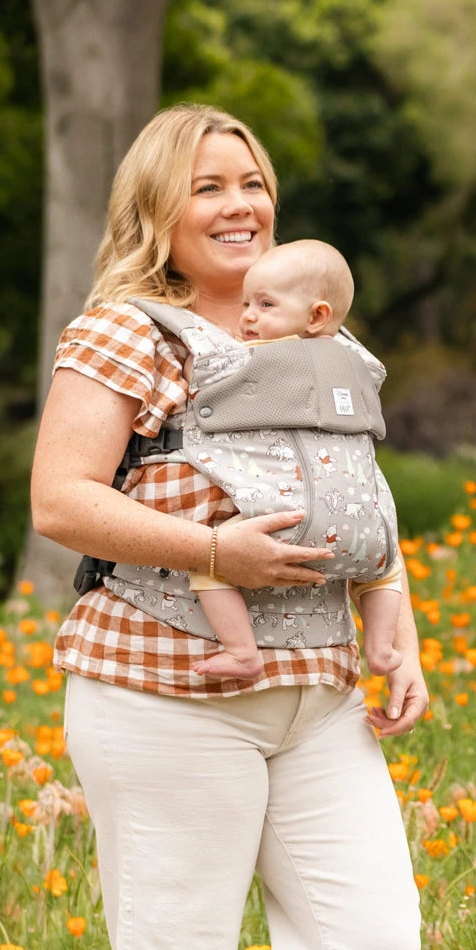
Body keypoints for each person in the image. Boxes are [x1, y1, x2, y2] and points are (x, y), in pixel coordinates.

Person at [30, 104, 427, 950]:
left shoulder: (317, 331)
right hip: (167, 691)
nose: (239, 204)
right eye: (207, 187)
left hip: (319, 699)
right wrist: (213, 552)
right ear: (157, 209)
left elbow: (354, 493)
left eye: (251, 183)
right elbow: (60, 499)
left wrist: (395, 612)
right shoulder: (125, 329)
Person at [187, 238, 404, 682]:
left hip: (283, 524)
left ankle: (242, 651)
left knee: (206, 560)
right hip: (363, 527)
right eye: (247, 303)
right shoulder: (357, 364)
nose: (248, 315)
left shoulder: (254, 360)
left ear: (317, 316)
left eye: (265, 304)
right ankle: (381, 649)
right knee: (386, 568)